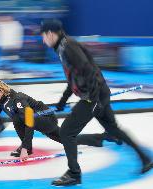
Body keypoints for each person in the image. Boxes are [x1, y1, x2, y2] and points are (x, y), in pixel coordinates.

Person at [40, 19, 153, 186]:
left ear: (50, 34)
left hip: (93, 96)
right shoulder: (63, 46)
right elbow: (74, 77)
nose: (43, 40)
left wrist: (93, 100)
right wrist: (62, 101)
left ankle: (74, 174)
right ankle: (146, 159)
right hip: (98, 94)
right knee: (114, 130)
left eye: (43, 35)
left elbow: (89, 71)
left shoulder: (68, 47)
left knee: (66, 132)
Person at [0, 80, 122, 159]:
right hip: (38, 122)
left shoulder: (17, 99)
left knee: (20, 118)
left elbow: (29, 122)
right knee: (68, 140)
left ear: (1, 91)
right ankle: (104, 137)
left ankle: (26, 147)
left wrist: (25, 148)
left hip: (46, 118)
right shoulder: (0, 103)